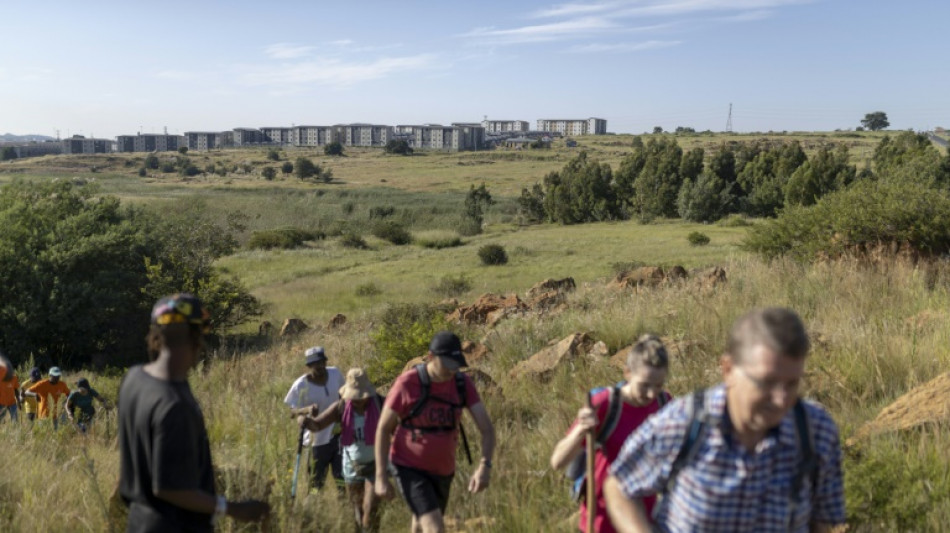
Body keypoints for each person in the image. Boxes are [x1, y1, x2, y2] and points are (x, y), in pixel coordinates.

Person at [604, 308, 845, 533]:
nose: (781, 400)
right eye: (767, 383)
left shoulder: (815, 430)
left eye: (792, 384)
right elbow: (619, 485)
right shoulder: (685, 422)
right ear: (728, 369)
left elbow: (823, 521)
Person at [117, 293, 269, 532]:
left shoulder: (133, 379)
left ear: (155, 334)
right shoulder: (175, 405)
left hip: (137, 522)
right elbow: (169, 487)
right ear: (198, 337)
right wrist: (233, 509)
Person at [375, 331, 496, 533]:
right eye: (447, 363)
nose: (452, 370)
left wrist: (485, 465)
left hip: (443, 471)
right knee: (435, 527)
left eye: (455, 363)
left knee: (421, 522)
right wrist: (380, 476)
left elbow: (487, 429)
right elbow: (383, 429)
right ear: (431, 357)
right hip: (408, 467)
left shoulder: (461, 384)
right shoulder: (407, 384)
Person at [550, 335, 671, 533]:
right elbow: (557, 462)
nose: (651, 394)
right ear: (628, 373)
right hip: (600, 519)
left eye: (658, 385)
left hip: (643, 519)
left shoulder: (664, 403)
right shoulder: (606, 403)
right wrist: (581, 429)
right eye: (645, 385)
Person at [298, 367, 383, 532]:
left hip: (375, 466)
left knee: (370, 509)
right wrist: (304, 420)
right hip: (352, 468)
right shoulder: (342, 407)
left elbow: (396, 425)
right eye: (354, 396)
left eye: (361, 396)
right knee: (357, 513)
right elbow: (318, 424)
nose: (357, 400)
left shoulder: (380, 403)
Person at [284, 346, 345, 492]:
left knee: (342, 481)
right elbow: (291, 411)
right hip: (315, 441)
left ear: (325, 361)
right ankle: (315, 508)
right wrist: (306, 410)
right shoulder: (300, 385)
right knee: (315, 484)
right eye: (315, 364)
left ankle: (345, 509)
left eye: (321, 362)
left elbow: (344, 396)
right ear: (309, 366)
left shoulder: (335, 374)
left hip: (338, 437)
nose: (319, 366)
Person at [0, 353, 20, 423]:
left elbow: (16, 390)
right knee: (1, 422)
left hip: (12, 403)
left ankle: (15, 432)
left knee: (15, 421)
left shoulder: (14, 377)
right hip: (1, 403)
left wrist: (19, 402)